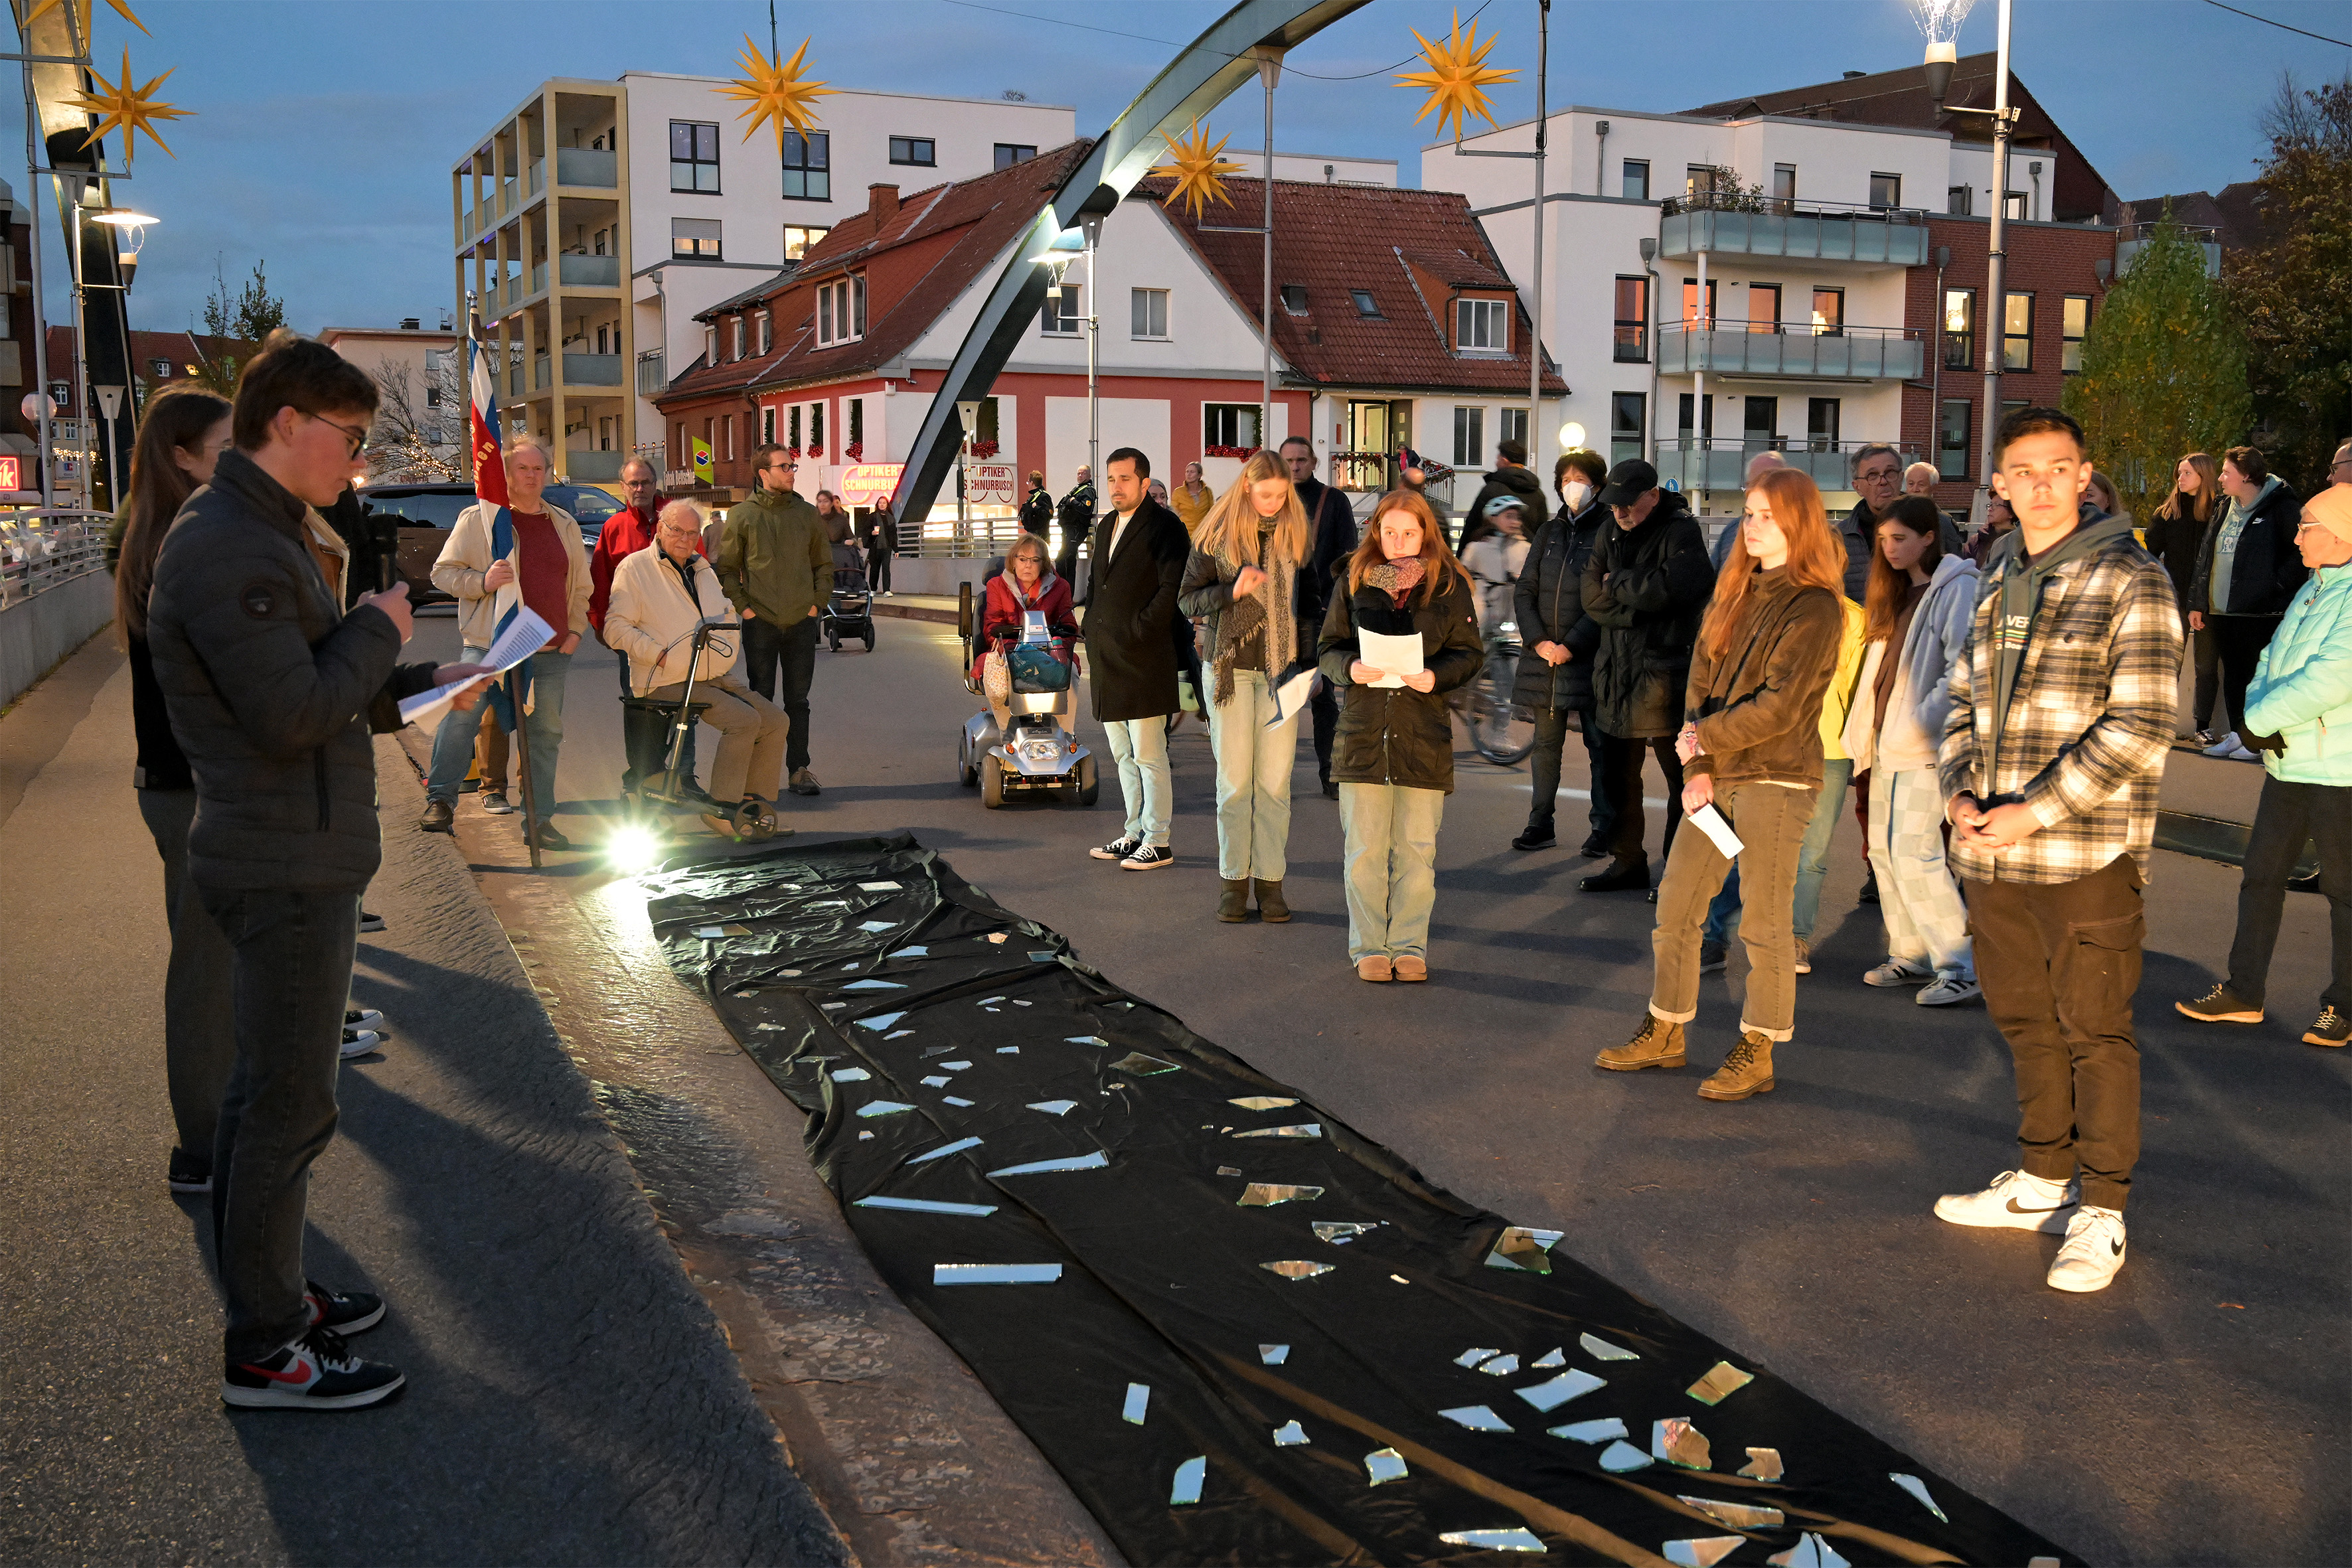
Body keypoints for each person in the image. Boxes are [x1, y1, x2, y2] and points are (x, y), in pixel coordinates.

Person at [146, 330, 485, 1409]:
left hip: (288, 847)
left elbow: (318, 689)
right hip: (279, 858)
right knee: (289, 1105)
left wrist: (431, 675)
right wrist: (384, 629)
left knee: (265, 1096)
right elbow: (293, 712)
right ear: (284, 424)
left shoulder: (260, 527)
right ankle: (267, 1344)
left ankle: (278, 1293)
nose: (358, 460)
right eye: (348, 437)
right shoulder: (230, 544)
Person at [1932, 406, 2183, 1295]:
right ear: (1997, 483)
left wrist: (2032, 811)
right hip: (1992, 855)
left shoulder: (2131, 578)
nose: (2038, 484)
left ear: (2083, 476)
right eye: (2021, 471)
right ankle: (2041, 1179)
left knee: (2094, 1033)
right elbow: (1957, 698)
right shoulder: (1997, 576)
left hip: (2082, 855)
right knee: (2024, 1023)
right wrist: (1957, 789)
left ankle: (2101, 1209)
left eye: (2056, 468)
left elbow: (2143, 723)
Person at [1596, 467, 1845, 1099]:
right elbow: (1698, 683)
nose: (1751, 525)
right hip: (1717, 777)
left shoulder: (1815, 605)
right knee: (1676, 907)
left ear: (1799, 522)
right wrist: (1698, 766)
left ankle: (1758, 1047)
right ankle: (1665, 1031)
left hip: (1777, 779)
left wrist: (1704, 740)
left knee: (1764, 924)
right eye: (1749, 512)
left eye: (1765, 515)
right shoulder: (1733, 590)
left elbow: (1783, 706)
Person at [112, 386, 239, 1194]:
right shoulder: (182, 543)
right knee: (203, 974)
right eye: (227, 447)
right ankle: (202, 1147)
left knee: (212, 967)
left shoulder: (156, 534)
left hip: (176, 783)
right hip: (190, 787)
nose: (241, 458)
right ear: (181, 456)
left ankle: (211, 1130)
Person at [2175, 481, 2352, 1048]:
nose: (2296, 536)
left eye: (2308, 527)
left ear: (2342, 535)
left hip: (2338, 772)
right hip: (2288, 764)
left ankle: (2343, 1007)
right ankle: (2243, 992)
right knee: (2260, 878)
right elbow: (2271, 659)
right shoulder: (2312, 589)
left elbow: (2331, 677)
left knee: (2345, 892)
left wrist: (2260, 720)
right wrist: (2252, 713)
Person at [1318, 489, 1483, 980]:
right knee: (1364, 852)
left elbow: (1470, 654)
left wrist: (1437, 675)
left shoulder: (1448, 586)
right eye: (1388, 532)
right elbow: (1328, 646)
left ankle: (1409, 946)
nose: (1397, 542)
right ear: (1376, 532)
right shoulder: (1353, 579)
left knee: (1416, 852)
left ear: (1426, 533)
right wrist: (1349, 666)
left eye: (1408, 532)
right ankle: (1368, 946)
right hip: (1364, 733)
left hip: (1422, 735)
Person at [1841, 495, 1982, 1006]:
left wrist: (1919, 726)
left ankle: (1957, 964)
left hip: (1922, 749)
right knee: (1883, 850)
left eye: (1899, 538)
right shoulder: (1897, 592)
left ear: (1928, 537)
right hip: (1885, 744)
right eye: (1883, 540)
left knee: (1917, 854)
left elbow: (1961, 669)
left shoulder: (1955, 588)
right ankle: (1911, 952)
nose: (1889, 548)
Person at [420, 437, 590, 850]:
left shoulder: (563, 523)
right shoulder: (480, 520)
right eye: (522, 468)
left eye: (538, 469)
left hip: (548, 647)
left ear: (548, 473)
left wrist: (574, 633)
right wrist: (481, 582)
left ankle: (540, 821)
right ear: (506, 473)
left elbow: (580, 588)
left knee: (544, 735)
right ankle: (440, 800)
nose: (531, 476)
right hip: (491, 642)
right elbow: (442, 574)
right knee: (462, 716)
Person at [1179, 450, 1315, 922]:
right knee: (1235, 785)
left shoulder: (1297, 535)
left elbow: (1314, 605)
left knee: (1275, 787)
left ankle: (1271, 884)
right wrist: (1230, 592)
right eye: (1266, 495)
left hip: (1283, 672)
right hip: (1228, 669)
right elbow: (1186, 599)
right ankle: (1234, 883)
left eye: (1281, 495)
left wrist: (1311, 666)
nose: (1274, 503)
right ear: (1246, 489)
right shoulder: (1216, 536)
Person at [607, 501, 791, 840]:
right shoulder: (635, 568)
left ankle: (750, 803)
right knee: (744, 721)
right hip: (665, 677)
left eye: (692, 532)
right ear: (660, 529)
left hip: (710, 674)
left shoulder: (701, 567)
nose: (684, 538)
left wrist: (727, 646)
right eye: (676, 530)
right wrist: (657, 654)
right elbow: (615, 627)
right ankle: (723, 809)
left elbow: (723, 613)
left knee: (776, 721)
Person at [1579, 458, 1711, 896]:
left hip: (1665, 674)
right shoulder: (1608, 528)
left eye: (1627, 506)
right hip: (1615, 673)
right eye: (1614, 506)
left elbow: (1673, 591)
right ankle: (1626, 861)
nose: (1619, 514)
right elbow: (1591, 598)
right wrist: (1637, 598)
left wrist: (1617, 583)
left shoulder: (1681, 530)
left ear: (1651, 496)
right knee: (1618, 776)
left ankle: (1678, 869)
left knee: (1683, 778)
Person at [1080, 447, 1188, 869]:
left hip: (1145, 655)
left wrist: (1142, 628)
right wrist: (1090, 624)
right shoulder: (1106, 524)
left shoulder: (1167, 527)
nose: (1116, 487)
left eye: (1125, 479)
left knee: (1149, 753)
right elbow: (1096, 581)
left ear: (1145, 483)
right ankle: (1133, 832)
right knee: (1123, 754)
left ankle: (1158, 839)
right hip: (1107, 654)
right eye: (1111, 479)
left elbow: (1171, 587)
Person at [1512, 449, 1613, 854]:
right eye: (1565, 478)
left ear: (1598, 485)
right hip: (1546, 657)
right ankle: (1541, 822)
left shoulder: (1608, 531)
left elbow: (1605, 599)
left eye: (1581, 479)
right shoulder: (1549, 532)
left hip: (1588, 657)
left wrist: (1571, 645)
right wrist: (1539, 641)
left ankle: (1603, 827)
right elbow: (1525, 590)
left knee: (1599, 747)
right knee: (1546, 746)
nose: (1573, 486)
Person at [718, 444, 830, 797]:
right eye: (785, 466)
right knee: (760, 699)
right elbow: (726, 569)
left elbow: (823, 565)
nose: (792, 472)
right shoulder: (742, 516)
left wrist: (815, 606)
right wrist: (745, 609)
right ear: (763, 473)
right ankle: (758, 776)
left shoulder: (808, 514)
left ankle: (799, 770)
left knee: (798, 701)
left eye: (793, 466)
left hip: (801, 621)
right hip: (760, 622)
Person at [2191, 446, 2305, 763]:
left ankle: (2258, 740)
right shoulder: (2223, 505)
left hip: (2260, 613)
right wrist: (2198, 601)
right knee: (2234, 678)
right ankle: (2240, 735)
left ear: (2248, 476)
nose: (2221, 478)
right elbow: (2206, 555)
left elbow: (2299, 555)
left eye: (2227, 472)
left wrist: (2273, 587)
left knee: (2258, 679)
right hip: (2222, 610)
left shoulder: (2282, 507)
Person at [1283, 436, 1360, 799]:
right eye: (1288, 461)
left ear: (1313, 462)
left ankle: (1330, 771)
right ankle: (1273, 774)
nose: (1295, 466)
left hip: (1320, 612)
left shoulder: (1334, 501)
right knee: (1277, 693)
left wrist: (1332, 605)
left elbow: (1347, 558)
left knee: (1322, 695)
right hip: (1278, 612)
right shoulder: (1273, 500)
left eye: (1301, 460)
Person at [2144, 453, 2223, 742]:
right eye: (2179, 473)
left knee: (2206, 665)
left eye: (2187, 473)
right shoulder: (2167, 513)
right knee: (2169, 663)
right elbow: (2149, 555)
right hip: (2173, 597)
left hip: (2208, 598)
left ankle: (2202, 727)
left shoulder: (2219, 512)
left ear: (2205, 475)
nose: (2180, 478)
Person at [976, 532, 1078, 725]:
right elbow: (992, 626)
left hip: (1049, 653)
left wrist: (1058, 642)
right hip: (1009, 650)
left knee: (1070, 671)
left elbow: (1070, 625)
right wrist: (1014, 646)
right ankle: (1007, 736)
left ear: (1044, 563)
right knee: (1005, 674)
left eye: (1035, 560)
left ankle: (1066, 735)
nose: (1028, 565)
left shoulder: (1060, 587)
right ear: (1013, 561)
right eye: (1023, 559)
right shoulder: (997, 585)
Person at [1840, 445, 1961, 600]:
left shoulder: (1938, 524)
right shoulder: (1840, 537)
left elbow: (1955, 587)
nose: (1883, 482)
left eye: (1890, 473)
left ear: (1900, 477)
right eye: (1873, 475)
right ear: (1857, 487)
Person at [1460, 436, 1547, 550]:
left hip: (1492, 555)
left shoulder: (1491, 490)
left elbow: (1472, 525)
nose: (1496, 463)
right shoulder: (1538, 493)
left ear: (1504, 460)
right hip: (1528, 557)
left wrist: (1460, 557)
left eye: (1498, 459)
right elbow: (1543, 532)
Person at [1461, 494, 1530, 635]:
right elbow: (1462, 579)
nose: (1515, 522)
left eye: (1517, 518)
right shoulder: (1476, 548)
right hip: (1483, 615)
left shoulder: (1525, 548)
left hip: (1513, 614)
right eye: (1509, 516)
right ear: (1493, 518)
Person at [1053, 464, 1096, 585]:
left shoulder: (1088, 490)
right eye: (1079, 473)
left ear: (1089, 476)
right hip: (1068, 530)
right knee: (1065, 560)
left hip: (1076, 530)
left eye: (1083, 473)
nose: (1080, 476)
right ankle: (1064, 593)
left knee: (1064, 559)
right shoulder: (1078, 489)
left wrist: (1073, 501)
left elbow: (1087, 509)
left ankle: (1066, 593)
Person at [1964, 491, 2017, 568]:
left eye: (1997, 505)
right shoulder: (1977, 540)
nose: (1990, 509)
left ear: (2012, 512)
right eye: (1990, 505)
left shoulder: (2020, 541)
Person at [1171, 459, 1215, 534]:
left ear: (1199, 475)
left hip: (1202, 535)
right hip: (1184, 534)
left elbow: (1212, 513)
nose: (1189, 474)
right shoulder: (1178, 492)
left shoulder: (1207, 492)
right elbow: (1173, 513)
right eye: (1187, 471)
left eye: (1192, 472)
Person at [865, 499, 897, 596]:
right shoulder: (872, 516)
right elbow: (865, 529)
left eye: (884, 503)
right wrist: (871, 532)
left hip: (887, 547)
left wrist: (896, 549)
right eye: (880, 503)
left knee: (886, 568)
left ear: (887, 505)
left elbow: (893, 534)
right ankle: (873, 589)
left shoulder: (891, 518)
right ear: (877, 504)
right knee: (875, 569)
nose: (882, 505)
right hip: (875, 546)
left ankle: (887, 590)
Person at [1019, 470, 1056, 540]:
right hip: (1032, 534)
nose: (1028, 484)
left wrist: (1036, 507)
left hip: (1040, 536)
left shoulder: (1044, 496)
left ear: (1032, 483)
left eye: (1028, 482)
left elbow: (1049, 515)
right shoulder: (1034, 497)